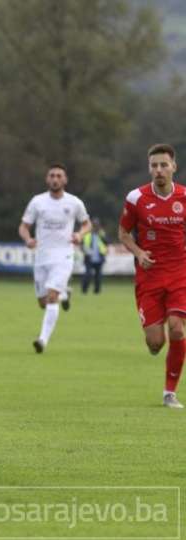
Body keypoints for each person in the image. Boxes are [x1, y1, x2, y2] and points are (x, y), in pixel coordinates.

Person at [118, 143, 186, 409]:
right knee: (156, 343)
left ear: (173, 167)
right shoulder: (136, 198)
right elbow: (123, 233)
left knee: (178, 329)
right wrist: (138, 252)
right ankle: (157, 343)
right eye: (154, 166)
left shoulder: (184, 197)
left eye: (163, 165)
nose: (159, 170)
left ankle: (169, 392)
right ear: (149, 168)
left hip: (180, 273)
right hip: (149, 277)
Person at [18, 164, 91, 353]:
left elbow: (86, 224)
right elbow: (24, 226)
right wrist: (28, 239)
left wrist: (79, 235)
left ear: (65, 180)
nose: (55, 179)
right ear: (47, 179)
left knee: (51, 297)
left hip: (64, 255)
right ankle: (65, 292)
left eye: (59, 176)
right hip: (42, 257)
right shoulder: (37, 202)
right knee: (43, 302)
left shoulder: (74, 202)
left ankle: (42, 341)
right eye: (52, 175)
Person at [81, 218, 107, 294]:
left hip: (99, 258)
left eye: (97, 225)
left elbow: (107, 242)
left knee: (98, 276)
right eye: (94, 225)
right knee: (88, 274)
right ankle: (84, 290)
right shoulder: (87, 234)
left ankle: (97, 291)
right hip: (89, 258)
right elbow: (83, 244)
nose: (95, 227)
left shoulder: (101, 233)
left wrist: (101, 235)